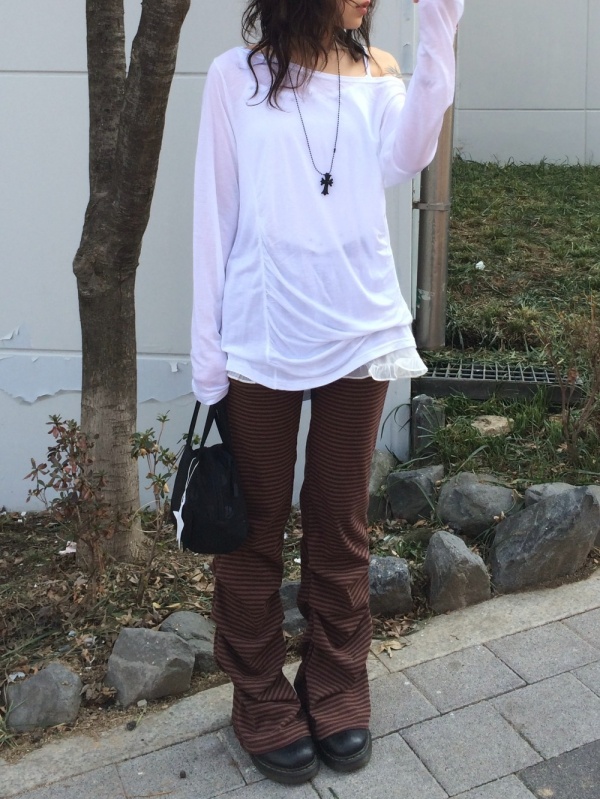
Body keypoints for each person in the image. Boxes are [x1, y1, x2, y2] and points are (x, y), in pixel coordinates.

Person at [191, 0, 464, 785]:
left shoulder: (378, 72)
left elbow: (408, 155)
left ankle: (337, 679)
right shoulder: (234, 79)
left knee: (340, 517)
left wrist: (439, 30)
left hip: (358, 327)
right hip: (264, 329)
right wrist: (209, 353)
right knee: (255, 526)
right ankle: (259, 694)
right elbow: (214, 214)